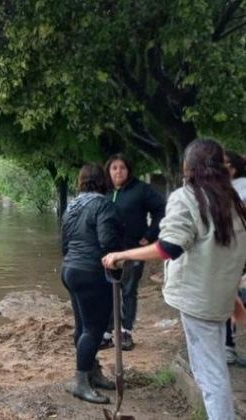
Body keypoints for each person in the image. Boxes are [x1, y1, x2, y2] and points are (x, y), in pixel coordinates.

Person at [102, 139, 246, 420]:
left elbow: (168, 248)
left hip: (197, 301)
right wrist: (231, 298)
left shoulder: (189, 197)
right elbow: (229, 256)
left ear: (188, 167)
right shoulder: (233, 201)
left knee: (210, 375)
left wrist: (123, 254)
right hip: (216, 297)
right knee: (214, 367)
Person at [61, 163, 123, 404]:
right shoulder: (103, 204)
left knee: (82, 326)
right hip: (91, 271)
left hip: (70, 269)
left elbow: (65, 242)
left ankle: (90, 371)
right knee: (94, 329)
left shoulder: (72, 206)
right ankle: (80, 382)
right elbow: (107, 240)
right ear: (103, 180)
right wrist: (118, 260)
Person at [101, 154, 165, 351]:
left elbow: (161, 210)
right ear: (108, 171)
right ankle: (108, 332)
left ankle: (126, 332)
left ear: (128, 170)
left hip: (134, 249)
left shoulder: (141, 190)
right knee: (108, 290)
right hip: (108, 251)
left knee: (128, 290)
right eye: (114, 168)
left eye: (122, 168)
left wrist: (150, 235)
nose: (118, 171)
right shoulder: (105, 192)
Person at [224, 150, 246, 365]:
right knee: (228, 298)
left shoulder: (242, 186)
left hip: (240, 251)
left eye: (227, 164)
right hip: (227, 252)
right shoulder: (220, 188)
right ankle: (228, 345)